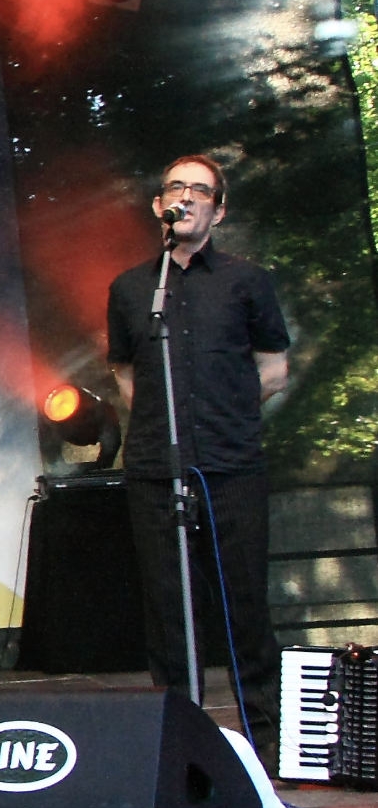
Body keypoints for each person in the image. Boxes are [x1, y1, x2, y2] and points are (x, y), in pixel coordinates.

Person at [106, 155, 289, 758]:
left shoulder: (247, 280)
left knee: (243, 601)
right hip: (157, 469)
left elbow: (273, 369)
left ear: (218, 208)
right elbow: (125, 373)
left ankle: (264, 740)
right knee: (167, 605)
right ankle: (183, 741)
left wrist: (224, 414)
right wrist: (165, 425)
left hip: (230, 463)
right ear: (160, 206)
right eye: (176, 189)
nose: (186, 198)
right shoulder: (132, 288)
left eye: (200, 190)